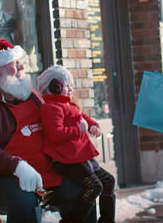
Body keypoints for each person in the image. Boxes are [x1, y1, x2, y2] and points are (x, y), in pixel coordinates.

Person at [0, 39, 96, 222]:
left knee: (85, 187)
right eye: (14, 63)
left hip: (42, 173)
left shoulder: (29, 95)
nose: (21, 66)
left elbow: (56, 124)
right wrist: (17, 166)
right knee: (24, 196)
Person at [37, 65, 116, 222]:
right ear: (54, 87)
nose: (70, 89)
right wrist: (78, 129)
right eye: (67, 86)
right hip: (66, 161)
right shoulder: (51, 108)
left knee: (108, 181)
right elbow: (55, 134)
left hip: (80, 158)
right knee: (95, 187)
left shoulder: (68, 105)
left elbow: (83, 118)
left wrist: (93, 125)